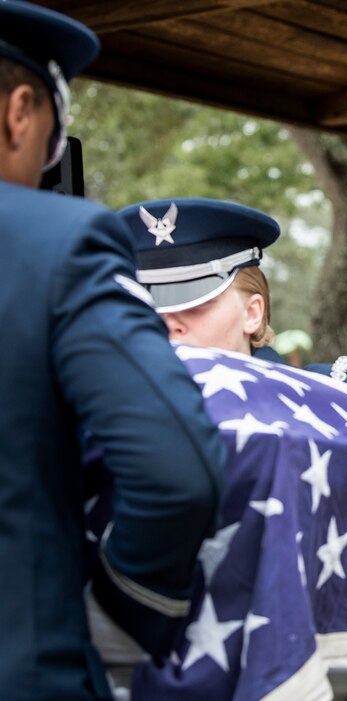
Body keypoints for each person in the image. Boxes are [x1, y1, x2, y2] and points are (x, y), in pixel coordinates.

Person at [0, 3, 227, 699]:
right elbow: (178, 467)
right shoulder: (57, 242)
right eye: (55, 136)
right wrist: (126, 608)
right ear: (19, 112)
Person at [117, 197, 347, 390]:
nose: (169, 324)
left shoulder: (328, 394)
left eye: (195, 304)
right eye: (151, 307)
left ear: (252, 313)